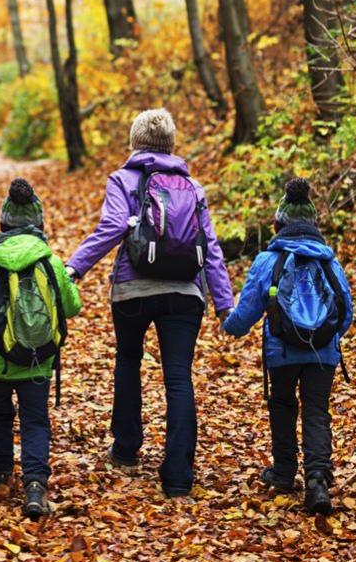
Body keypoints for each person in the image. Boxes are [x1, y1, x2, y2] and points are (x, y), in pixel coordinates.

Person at [66, 109, 233, 497]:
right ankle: (177, 475)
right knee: (178, 377)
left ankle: (126, 447)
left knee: (128, 360)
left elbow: (111, 228)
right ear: (172, 145)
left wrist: (75, 267)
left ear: (134, 143)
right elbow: (210, 249)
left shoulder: (123, 180)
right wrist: (225, 304)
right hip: (185, 292)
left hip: (133, 289)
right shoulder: (194, 188)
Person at [223, 177, 353, 516]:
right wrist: (327, 337)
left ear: (277, 224)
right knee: (316, 410)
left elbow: (247, 312)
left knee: (281, 405)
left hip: (281, 352)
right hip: (322, 353)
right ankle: (317, 481)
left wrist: (229, 324)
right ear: (314, 224)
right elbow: (346, 310)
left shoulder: (268, 261)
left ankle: (283, 473)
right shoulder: (329, 261)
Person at [0, 178, 81, 520]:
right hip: (39, 358)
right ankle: (36, 486)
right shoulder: (51, 262)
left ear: (2, 225)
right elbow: (72, 307)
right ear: (39, 225)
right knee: (35, 420)